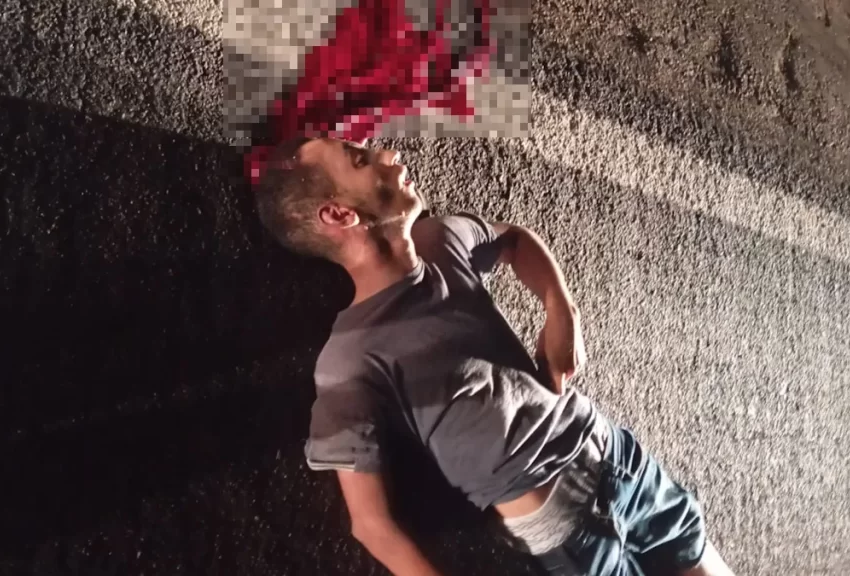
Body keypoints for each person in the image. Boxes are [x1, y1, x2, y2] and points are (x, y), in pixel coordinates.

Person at [253, 135, 735, 576]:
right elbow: (372, 525)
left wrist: (560, 307)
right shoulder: (351, 360)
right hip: (566, 524)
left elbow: (515, 240)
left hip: (617, 454)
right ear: (339, 215)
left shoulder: (441, 240)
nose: (388, 154)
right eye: (361, 160)